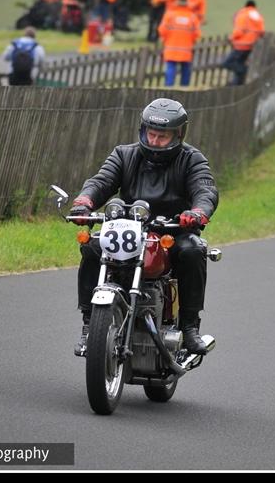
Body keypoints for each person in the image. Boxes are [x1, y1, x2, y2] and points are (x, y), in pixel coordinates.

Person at [69, 98, 219, 357]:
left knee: (193, 249)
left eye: (162, 136)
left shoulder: (192, 160)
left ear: (178, 134)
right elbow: (102, 180)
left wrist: (197, 212)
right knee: (93, 246)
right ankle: (88, 324)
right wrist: (85, 201)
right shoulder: (124, 154)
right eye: (151, 133)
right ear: (143, 130)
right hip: (129, 227)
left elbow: (205, 189)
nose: (155, 140)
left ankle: (190, 327)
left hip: (171, 230)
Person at [158, 0, 202, 87]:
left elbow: (162, 30)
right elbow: (197, 33)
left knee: (170, 68)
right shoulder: (192, 17)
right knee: (186, 69)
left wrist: (165, 39)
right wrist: (191, 40)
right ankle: (184, 87)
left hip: (171, 47)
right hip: (186, 49)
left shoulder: (170, 15)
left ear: (176, 3)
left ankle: (169, 86)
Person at [221, 0, 266, 86]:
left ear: (246, 6)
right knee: (239, 63)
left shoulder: (243, 15)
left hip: (241, 44)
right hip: (251, 45)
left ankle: (243, 71)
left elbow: (239, 30)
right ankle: (237, 84)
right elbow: (262, 31)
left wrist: (231, 37)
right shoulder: (258, 16)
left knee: (227, 63)